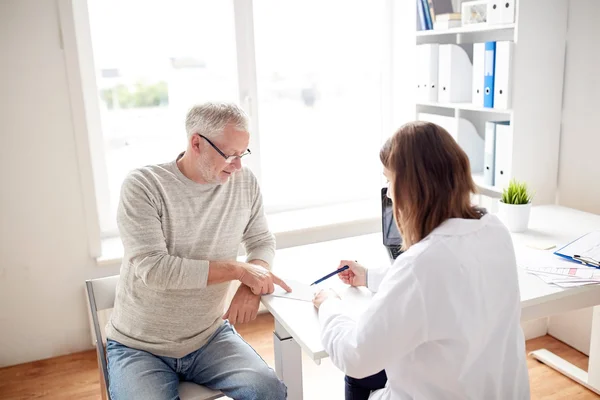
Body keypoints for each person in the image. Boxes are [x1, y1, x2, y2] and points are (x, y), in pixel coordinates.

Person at [313, 121, 530, 400]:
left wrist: (330, 304)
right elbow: (446, 287)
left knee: (359, 375)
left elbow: (355, 356)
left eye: (389, 181)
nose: (389, 194)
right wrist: (369, 276)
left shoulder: (420, 265)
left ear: (411, 188)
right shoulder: (494, 229)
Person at [106, 102, 290, 400]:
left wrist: (249, 285)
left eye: (243, 154)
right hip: (139, 346)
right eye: (230, 154)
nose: (238, 165)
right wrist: (239, 270)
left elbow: (261, 241)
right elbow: (155, 270)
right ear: (196, 143)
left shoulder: (242, 182)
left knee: (269, 392)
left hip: (209, 337)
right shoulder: (144, 186)